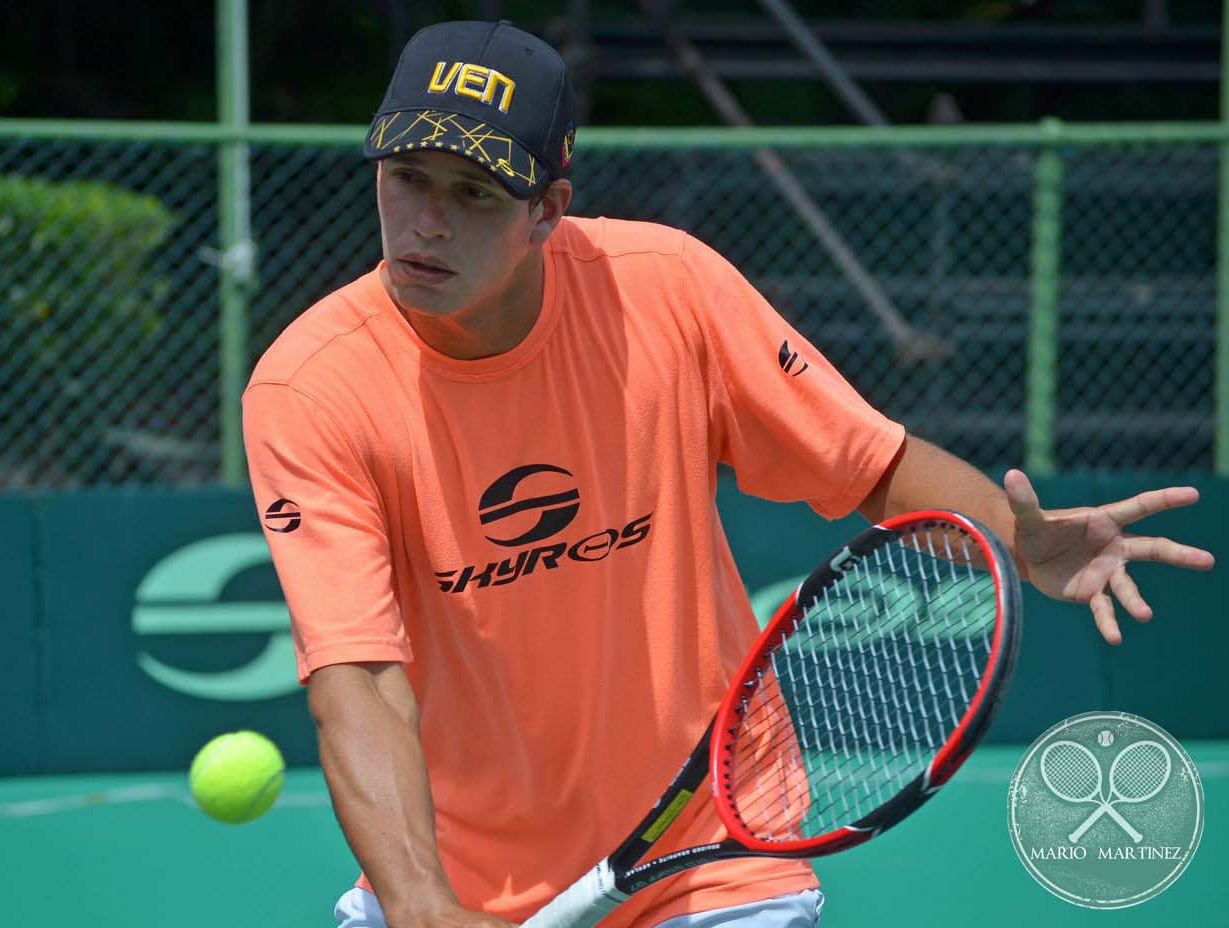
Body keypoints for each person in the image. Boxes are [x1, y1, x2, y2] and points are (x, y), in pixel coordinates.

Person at [243, 20, 1214, 928]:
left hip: (713, 860)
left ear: (547, 209)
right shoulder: (310, 388)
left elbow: (866, 462)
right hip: (448, 879)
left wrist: (1019, 540)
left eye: (474, 194)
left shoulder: (666, 291)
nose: (425, 222)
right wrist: (419, 903)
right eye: (407, 177)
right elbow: (359, 679)